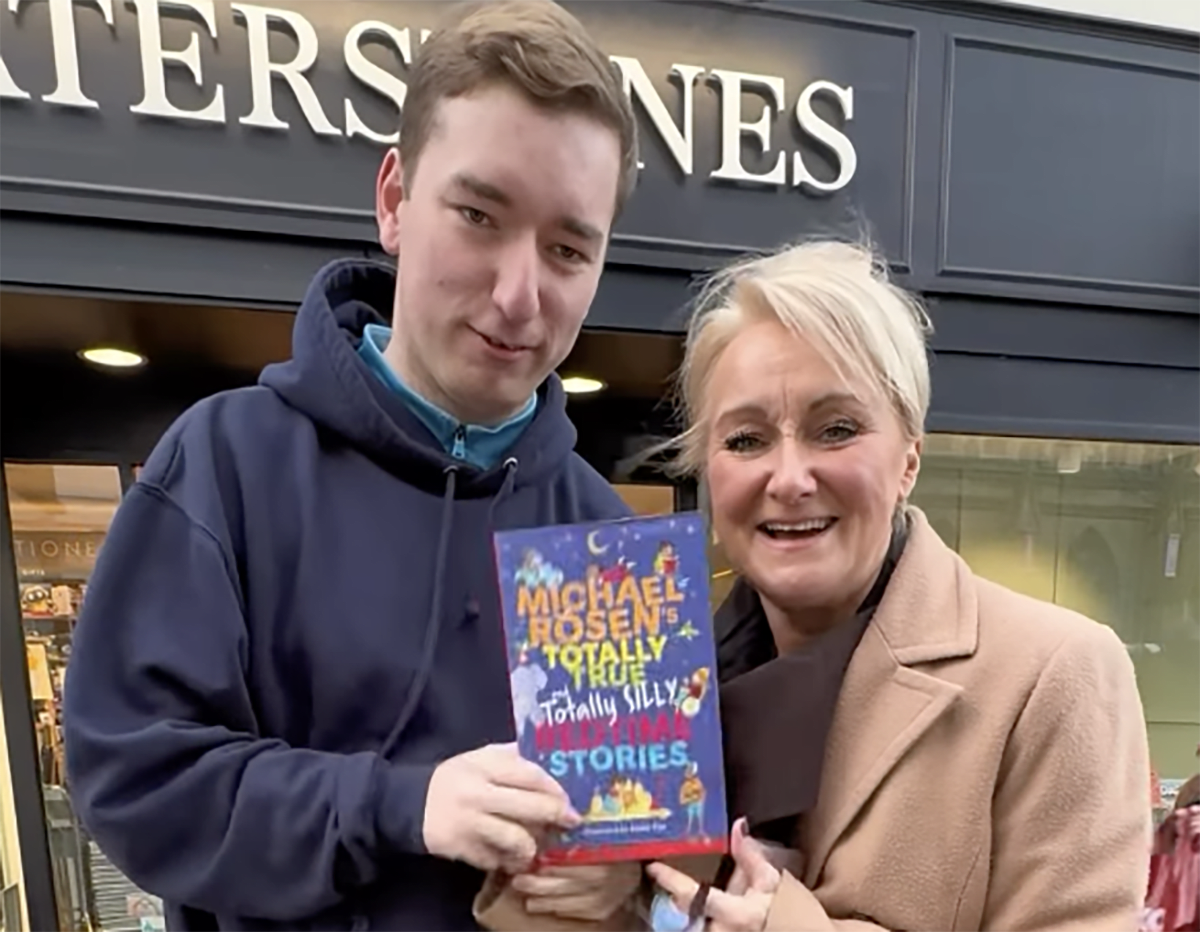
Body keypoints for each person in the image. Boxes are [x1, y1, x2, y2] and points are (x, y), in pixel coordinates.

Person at [61, 2, 644, 931]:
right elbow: (132, 777)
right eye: (478, 214)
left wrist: (628, 884)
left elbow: (629, 841)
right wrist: (398, 807)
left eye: (569, 248)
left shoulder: (610, 544)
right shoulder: (225, 466)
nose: (519, 292)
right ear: (392, 201)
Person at [480, 239, 1155, 931]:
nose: (790, 478)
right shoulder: (653, 686)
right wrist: (586, 890)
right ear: (709, 472)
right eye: (745, 440)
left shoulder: (1053, 673)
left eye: (836, 429)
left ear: (908, 461)